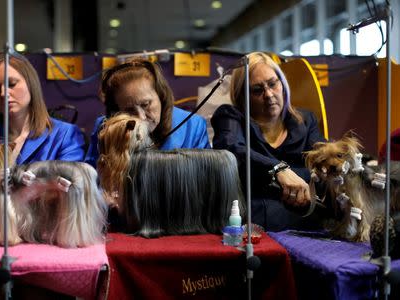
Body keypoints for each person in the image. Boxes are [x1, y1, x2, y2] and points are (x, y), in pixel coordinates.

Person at [0, 52, 85, 226]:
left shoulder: (66, 135)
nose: (4, 93)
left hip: (43, 236)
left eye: (11, 84)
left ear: (31, 84)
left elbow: (72, 189)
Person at [211, 52, 326, 231]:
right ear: (243, 95)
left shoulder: (305, 121)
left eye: (273, 84)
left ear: (283, 83)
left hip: (305, 228)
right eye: (257, 90)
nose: (269, 94)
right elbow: (232, 151)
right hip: (251, 228)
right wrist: (279, 170)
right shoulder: (230, 117)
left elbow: (322, 164)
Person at [85, 58, 210, 167]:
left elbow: (204, 181)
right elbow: (94, 182)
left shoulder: (193, 126)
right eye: (129, 110)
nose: (141, 117)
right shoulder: (105, 128)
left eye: (146, 104)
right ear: (116, 111)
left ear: (161, 96)